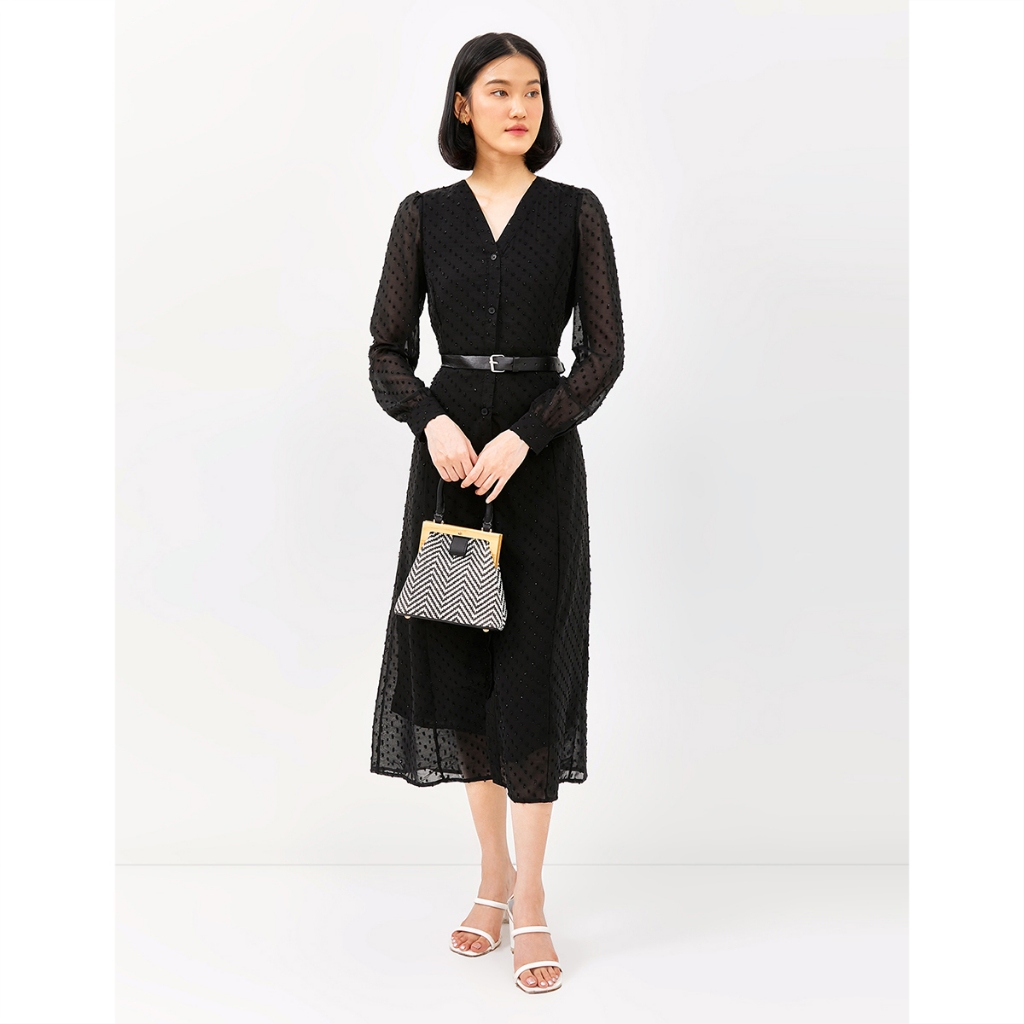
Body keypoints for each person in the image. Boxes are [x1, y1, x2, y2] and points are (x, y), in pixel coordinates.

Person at [367, 31, 625, 994]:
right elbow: (386, 352)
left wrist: (529, 432)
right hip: (451, 476)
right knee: (462, 668)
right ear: (463, 104)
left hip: (539, 471)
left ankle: (535, 896)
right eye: (499, 90)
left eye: (533, 91)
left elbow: (603, 353)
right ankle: (491, 878)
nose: (520, 106)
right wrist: (431, 418)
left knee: (531, 672)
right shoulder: (424, 216)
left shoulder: (575, 212)